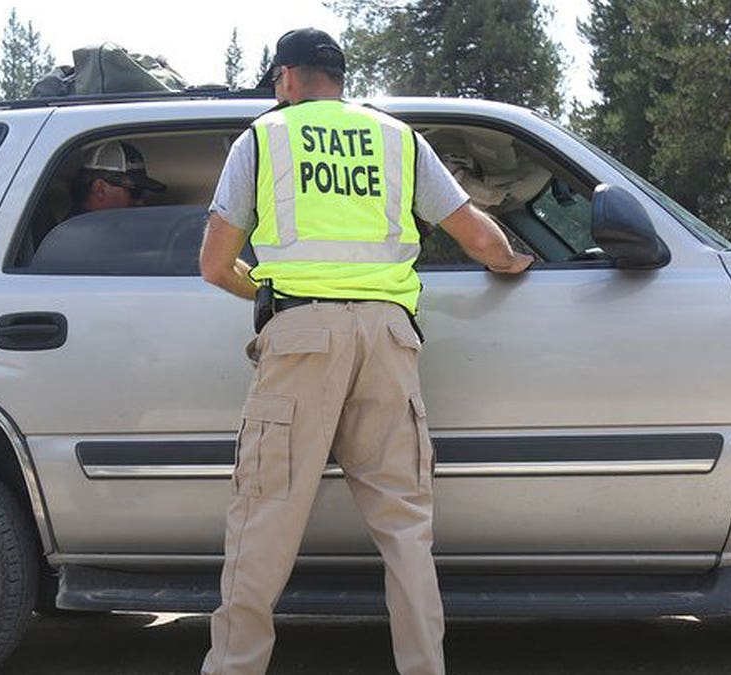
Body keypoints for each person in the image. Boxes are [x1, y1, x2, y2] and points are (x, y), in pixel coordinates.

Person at [198, 27, 533, 675]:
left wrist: (266, 293)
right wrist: (517, 261)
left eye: (277, 81)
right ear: (338, 78)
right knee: (405, 527)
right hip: (389, 339)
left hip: (300, 339)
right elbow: (481, 239)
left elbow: (215, 264)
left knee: (264, 520)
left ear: (288, 78)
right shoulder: (398, 139)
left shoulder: (264, 138)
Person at [67, 140, 167, 216]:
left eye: (143, 193)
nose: (141, 202)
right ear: (100, 189)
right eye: (135, 193)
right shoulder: (77, 236)